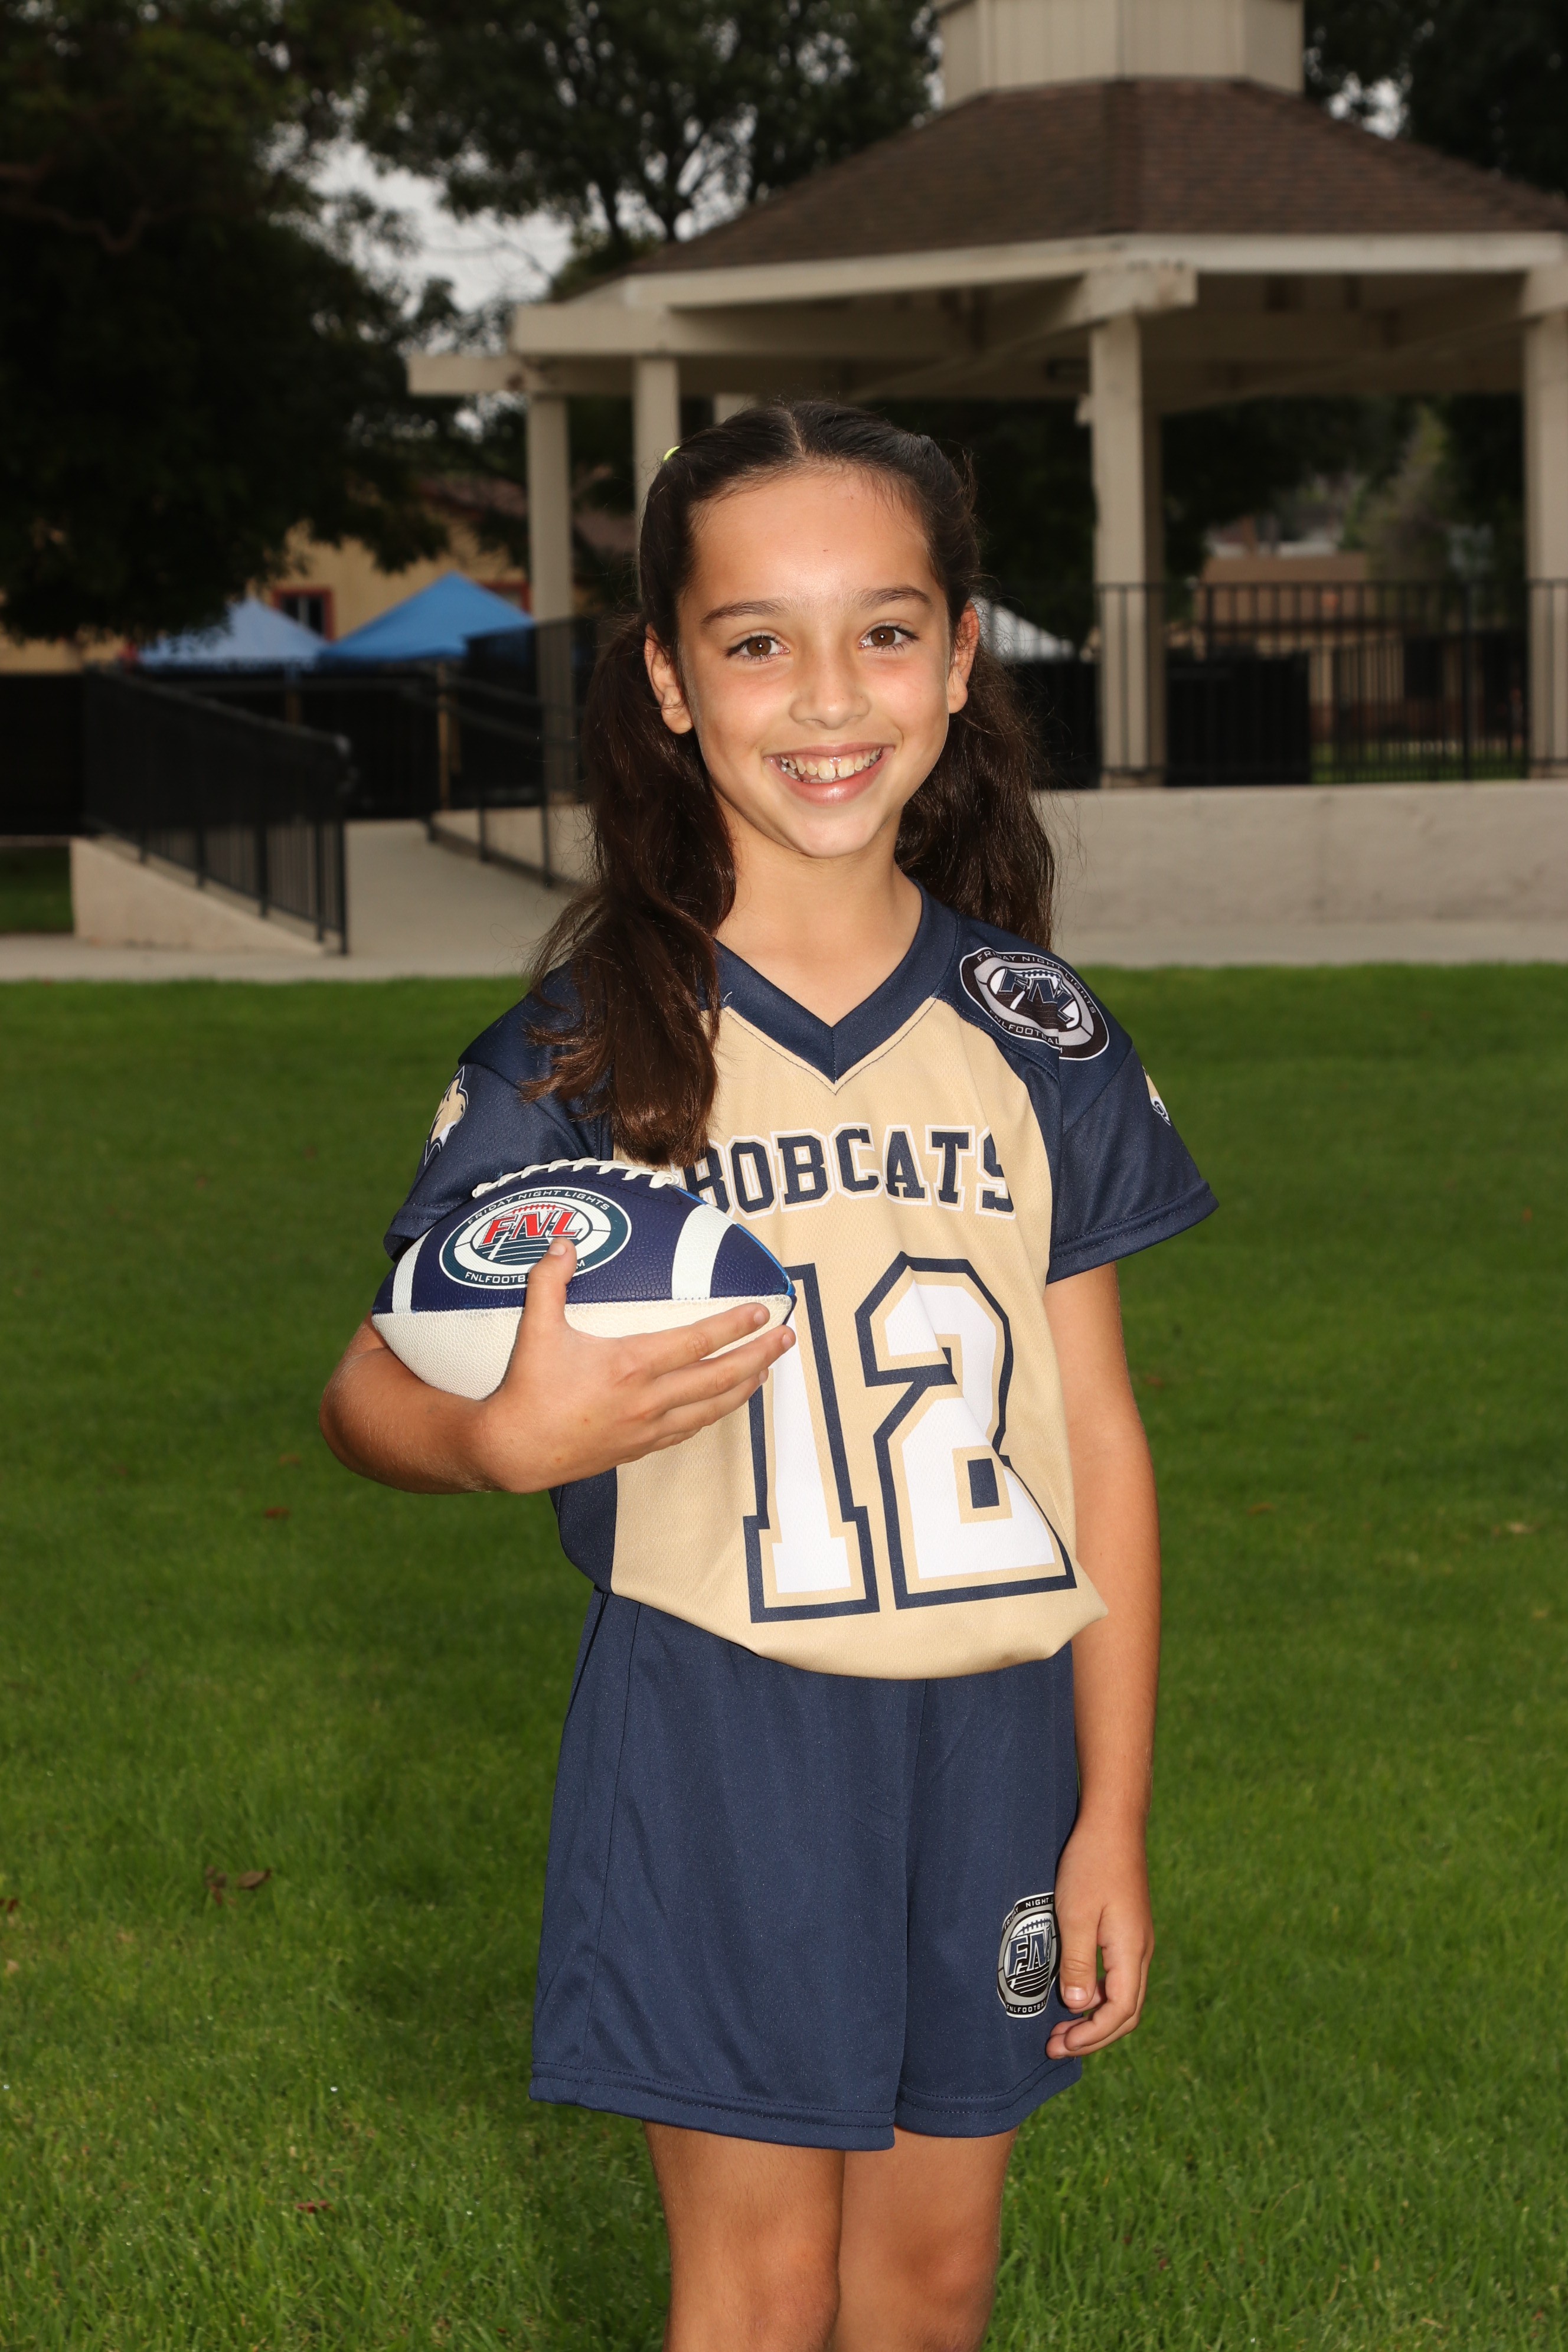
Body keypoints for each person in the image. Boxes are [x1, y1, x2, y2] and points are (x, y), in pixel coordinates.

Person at [321, 399, 1215, 2352]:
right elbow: (365, 1391)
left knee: (933, 2281)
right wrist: (497, 1439)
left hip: (994, 1731)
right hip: (723, 1725)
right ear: (667, 678)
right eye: (756, 640)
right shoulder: (581, 1051)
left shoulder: (1036, 1032)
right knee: (758, 2289)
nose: (827, 695)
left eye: (884, 631)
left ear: (961, 658)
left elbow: (1100, 1441)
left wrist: (1113, 1810)